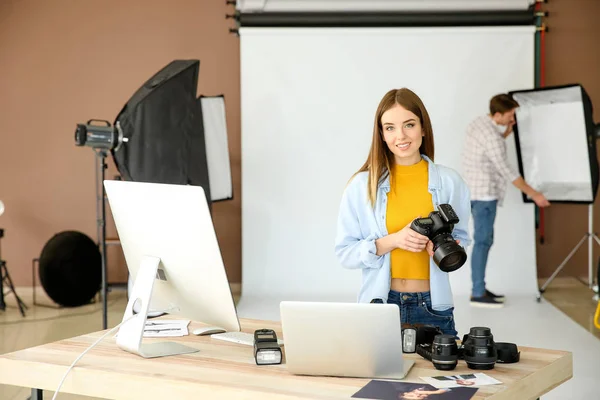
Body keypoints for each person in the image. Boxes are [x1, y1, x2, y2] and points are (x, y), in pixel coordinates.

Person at [335, 88, 471, 337]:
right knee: (375, 378)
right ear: (382, 135)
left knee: (436, 377)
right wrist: (394, 240)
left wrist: (446, 245)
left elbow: (462, 239)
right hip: (379, 306)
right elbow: (345, 253)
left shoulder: (451, 181)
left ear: (423, 128)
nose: (401, 136)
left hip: (433, 307)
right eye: (390, 128)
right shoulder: (362, 186)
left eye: (409, 124)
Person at [462, 94, 551, 308]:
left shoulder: (481, 123)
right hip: (484, 196)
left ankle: (479, 288)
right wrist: (535, 194)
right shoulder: (493, 138)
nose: (513, 119)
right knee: (483, 242)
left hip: (473, 191)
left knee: (483, 241)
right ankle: (477, 292)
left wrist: (505, 134)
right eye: (510, 116)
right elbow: (508, 171)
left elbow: (487, 148)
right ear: (498, 114)